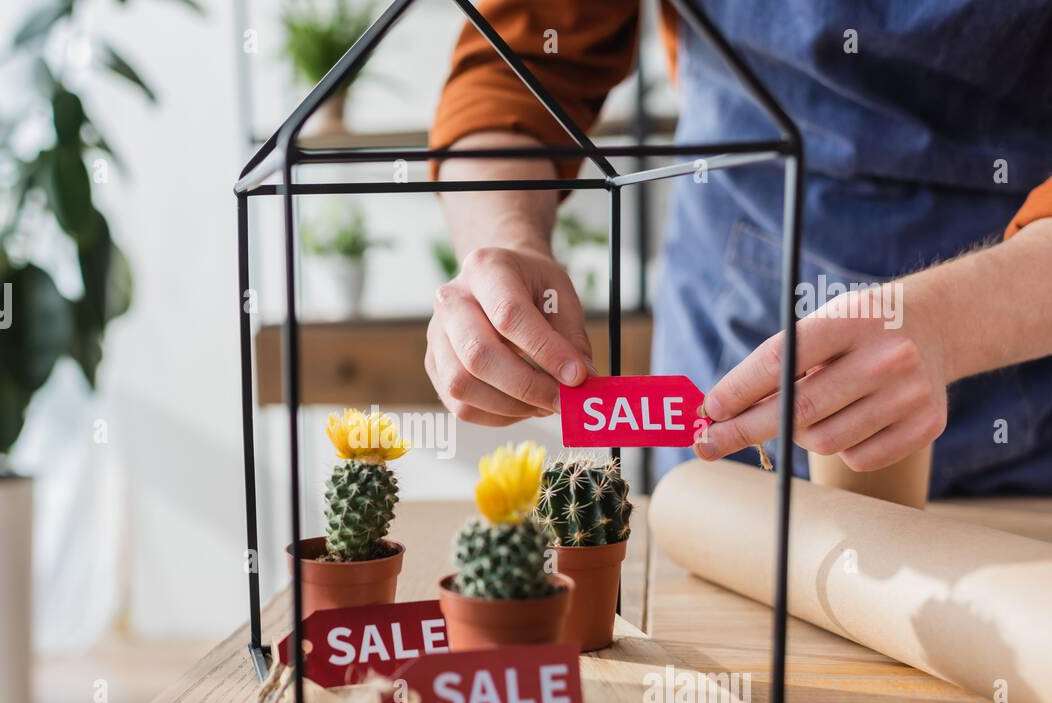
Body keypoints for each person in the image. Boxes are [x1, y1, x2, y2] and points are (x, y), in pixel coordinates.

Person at [425, 1, 1052, 494]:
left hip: (1021, 365)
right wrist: (501, 239)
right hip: (726, 324)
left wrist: (949, 326)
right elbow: (522, 58)